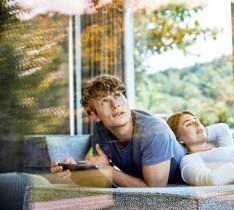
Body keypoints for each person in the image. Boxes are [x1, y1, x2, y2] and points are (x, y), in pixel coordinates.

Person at [51, 74, 186, 187]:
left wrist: (106, 170)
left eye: (117, 95)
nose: (115, 105)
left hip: (185, 181)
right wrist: (76, 171)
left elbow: (153, 191)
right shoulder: (100, 132)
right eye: (104, 101)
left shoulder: (155, 131)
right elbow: (101, 178)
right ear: (95, 115)